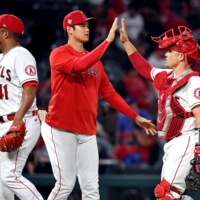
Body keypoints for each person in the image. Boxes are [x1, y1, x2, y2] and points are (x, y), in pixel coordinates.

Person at [40, 10, 157, 200]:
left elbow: (110, 93)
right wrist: (108, 41)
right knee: (66, 185)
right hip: (61, 128)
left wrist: (136, 117)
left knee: (92, 189)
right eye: (82, 25)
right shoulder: (59, 54)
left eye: (88, 26)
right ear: (69, 29)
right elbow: (79, 66)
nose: (87, 29)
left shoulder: (97, 63)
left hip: (87, 131)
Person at [119, 18, 200, 200]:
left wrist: (198, 147)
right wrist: (126, 43)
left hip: (187, 140)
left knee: (165, 193)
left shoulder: (193, 81)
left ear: (181, 56)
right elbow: (144, 69)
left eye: (170, 51)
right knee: (172, 194)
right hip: (172, 143)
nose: (165, 54)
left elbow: (199, 115)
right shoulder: (167, 77)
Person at [0, 14, 43, 200]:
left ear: (5, 34)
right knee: (2, 179)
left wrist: (18, 120)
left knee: (10, 175)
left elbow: (30, 89)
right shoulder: (2, 57)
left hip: (21, 121)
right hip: (5, 121)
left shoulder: (22, 55)